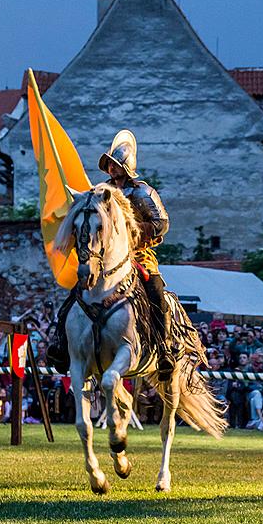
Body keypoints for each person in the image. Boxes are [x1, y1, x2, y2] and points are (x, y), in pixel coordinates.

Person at [96, 129, 175, 381]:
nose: (111, 168)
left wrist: (131, 230)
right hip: (106, 257)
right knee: (79, 289)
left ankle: (163, 349)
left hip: (138, 255)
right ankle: (62, 343)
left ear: (126, 167)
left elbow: (161, 223)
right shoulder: (100, 192)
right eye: (109, 163)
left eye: (115, 164)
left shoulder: (142, 192)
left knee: (155, 292)